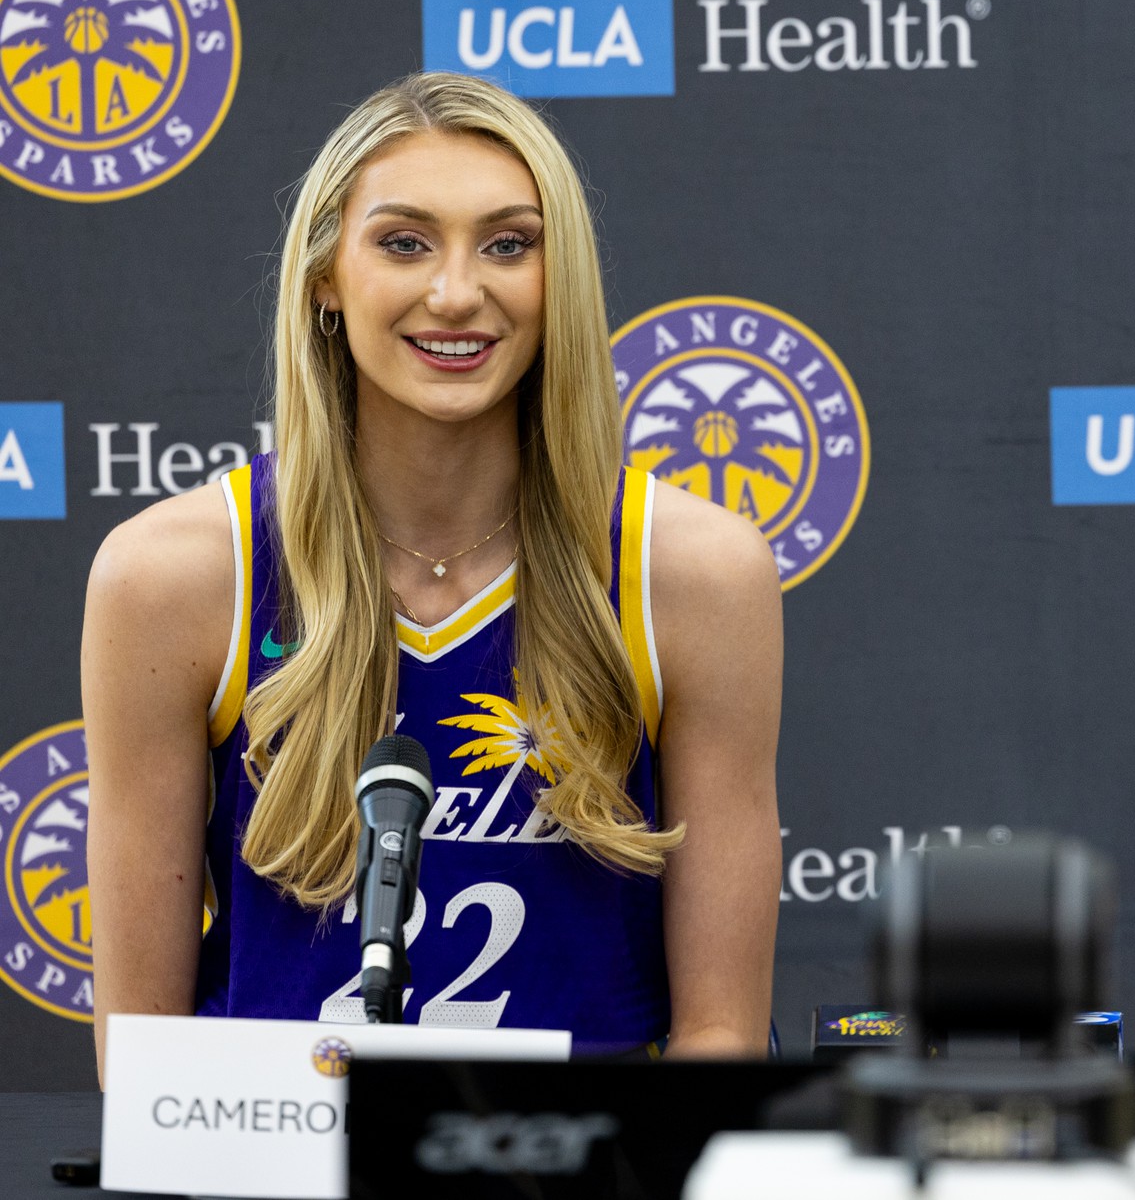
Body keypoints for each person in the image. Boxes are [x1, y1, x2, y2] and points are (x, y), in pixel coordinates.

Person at [82, 72, 782, 1073]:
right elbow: (141, 1052)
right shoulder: (177, 576)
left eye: (509, 243)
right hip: (279, 1171)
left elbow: (719, 1033)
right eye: (404, 241)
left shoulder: (693, 573)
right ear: (327, 274)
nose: (456, 292)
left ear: (561, 276)